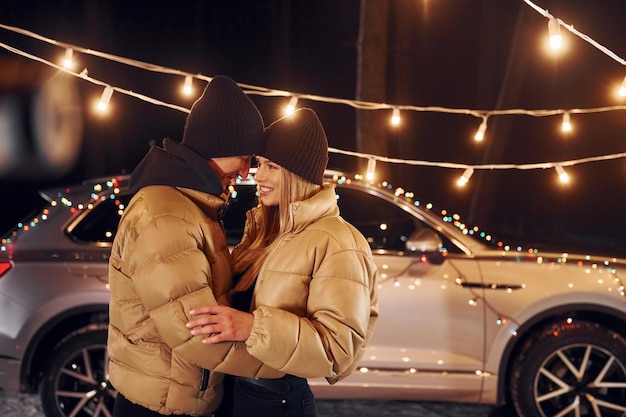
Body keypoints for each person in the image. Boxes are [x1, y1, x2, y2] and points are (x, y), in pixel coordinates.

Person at [185, 108, 380, 417]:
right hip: (234, 396)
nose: (257, 175)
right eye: (260, 164)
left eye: (272, 167)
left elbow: (338, 351)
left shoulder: (339, 242)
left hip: (276, 403)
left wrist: (252, 327)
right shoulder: (263, 230)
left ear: (298, 174)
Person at [107, 75, 282, 417]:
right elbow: (195, 333)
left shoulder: (193, 207)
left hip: (173, 398)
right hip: (161, 406)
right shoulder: (168, 215)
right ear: (218, 145)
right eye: (244, 157)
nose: (246, 171)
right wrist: (282, 366)